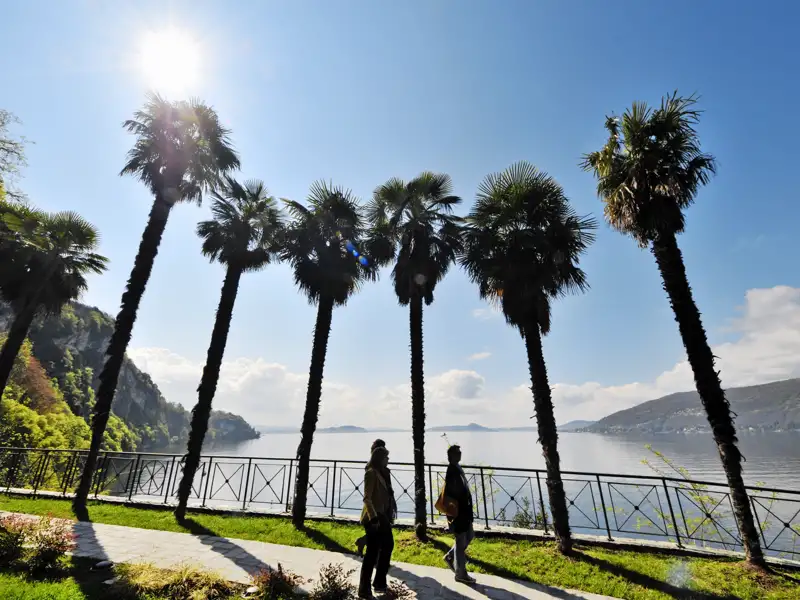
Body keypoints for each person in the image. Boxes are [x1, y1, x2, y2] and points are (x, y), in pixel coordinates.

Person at [359, 445, 395, 599]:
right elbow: (367, 498)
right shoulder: (371, 473)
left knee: (387, 545)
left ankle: (379, 582)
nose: (388, 460)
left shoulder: (381, 473)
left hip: (382, 516)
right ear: (380, 459)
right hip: (373, 518)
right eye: (386, 457)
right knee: (372, 553)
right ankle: (364, 588)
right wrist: (373, 518)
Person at [355, 440, 397, 556]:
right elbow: (369, 495)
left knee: (379, 535)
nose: (387, 458)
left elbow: (388, 487)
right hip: (376, 508)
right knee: (379, 535)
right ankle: (371, 552)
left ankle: (363, 543)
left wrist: (391, 500)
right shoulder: (372, 470)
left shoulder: (383, 469)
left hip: (383, 505)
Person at [443, 445, 476, 584]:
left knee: (469, 536)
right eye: (458, 452)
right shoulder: (452, 471)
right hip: (459, 514)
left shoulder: (457, 468)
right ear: (452, 456)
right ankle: (460, 573)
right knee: (461, 541)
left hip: (465, 512)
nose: (461, 453)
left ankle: (450, 556)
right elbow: (453, 495)